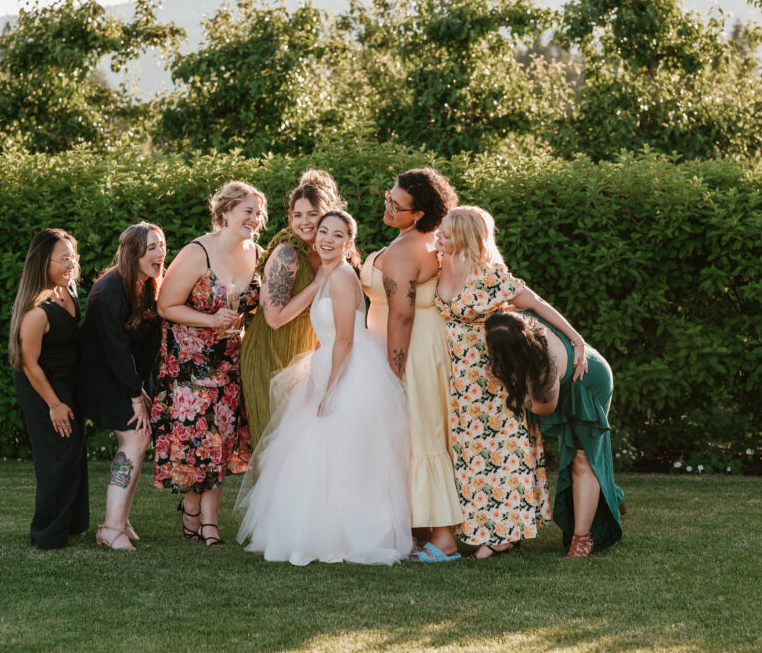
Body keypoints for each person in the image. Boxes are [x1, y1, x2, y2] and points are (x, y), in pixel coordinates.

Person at [236, 210, 412, 565]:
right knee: (313, 455)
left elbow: (345, 340)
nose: (327, 239)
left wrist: (330, 391)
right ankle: (313, 531)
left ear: (349, 243)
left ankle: (353, 534)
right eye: (323, 232)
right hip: (327, 366)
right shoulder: (324, 275)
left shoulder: (345, 278)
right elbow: (283, 318)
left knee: (343, 456)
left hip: (349, 370)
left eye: (337, 235)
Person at [435, 206, 588, 558]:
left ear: (466, 237)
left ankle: (504, 534)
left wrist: (576, 339)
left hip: (494, 382)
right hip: (460, 385)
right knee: (471, 457)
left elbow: (538, 305)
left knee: (503, 454)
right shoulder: (439, 263)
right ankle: (486, 528)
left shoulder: (491, 277)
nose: (438, 235)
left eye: (445, 231)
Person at [151, 181, 265, 546]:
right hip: (190, 365)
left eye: (258, 212)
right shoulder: (197, 252)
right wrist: (210, 320)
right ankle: (193, 512)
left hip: (232, 363)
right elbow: (166, 306)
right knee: (201, 444)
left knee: (222, 443)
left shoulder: (258, 254)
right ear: (226, 212)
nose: (254, 218)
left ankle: (206, 521)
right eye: (247, 210)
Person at [361, 167, 464, 563]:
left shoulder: (407, 250)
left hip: (412, 350)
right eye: (389, 196)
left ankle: (444, 540)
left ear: (418, 213)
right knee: (422, 433)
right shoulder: (422, 240)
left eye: (396, 204)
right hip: (424, 344)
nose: (387, 205)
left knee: (422, 434)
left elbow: (401, 316)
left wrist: (393, 370)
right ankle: (424, 527)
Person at [485, 310, 625, 558]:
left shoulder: (545, 364)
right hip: (567, 383)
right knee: (582, 459)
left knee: (581, 459)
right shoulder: (511, 321)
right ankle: (612, 495)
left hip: (589, 386)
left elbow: (544, 407)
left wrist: (506, 385)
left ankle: (582, 539)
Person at [78, 223, 167, 551]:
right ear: (134, 253)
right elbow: (115, 350)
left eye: (161, 246)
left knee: (140, 438)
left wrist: (141, 388)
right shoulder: (108, 292)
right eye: (152, 248)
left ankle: (120, 519)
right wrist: (134, 396)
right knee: (135, 437)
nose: (160, 254)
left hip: (127, 377)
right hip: (99, 377)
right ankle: (110, 528)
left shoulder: (147, 285)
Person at [241, 171, 345, 447]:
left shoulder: (325, 250)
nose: (304, 222)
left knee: (301, 447)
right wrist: (317, 284)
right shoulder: (287, 253)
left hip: (303, 353)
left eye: (311, 214)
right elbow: (273, 318)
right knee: (274, 445)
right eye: (297, 215)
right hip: (270, 354)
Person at [8, 228, 89, 549]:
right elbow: (29, 363)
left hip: (66, 381)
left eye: (73, 257)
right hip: (41, 385)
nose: (71, 264)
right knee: (57, 455)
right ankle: (47, 534)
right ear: (43, 262)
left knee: (73, 453)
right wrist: (54, 405)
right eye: (63, 258)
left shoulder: (68, 290)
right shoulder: (36, 310)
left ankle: (72, 524)